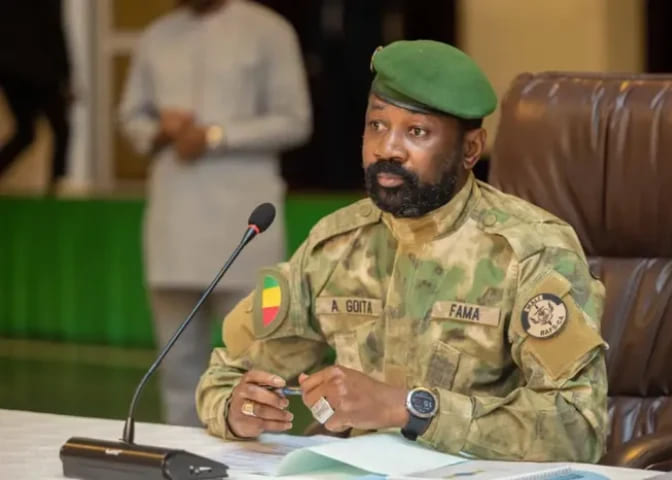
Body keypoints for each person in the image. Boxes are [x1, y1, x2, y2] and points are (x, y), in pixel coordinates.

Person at [196, 40, 608, 461]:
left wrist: (410, 410)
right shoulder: (335, 245)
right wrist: (237, 410)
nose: (387, 149)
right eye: (377, 125)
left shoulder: (530, 250)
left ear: (470, 150)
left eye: (416, 132)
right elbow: (226, 375)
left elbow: (578, 427)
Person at [118, 0, 311, 426]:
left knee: (255, 364)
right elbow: (132, 118)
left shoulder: (269, 29)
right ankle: (178, 454)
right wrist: (160, 130)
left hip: (244, 223)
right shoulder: (157, 36)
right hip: (174, 221)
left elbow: (295, 120)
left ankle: (249, 455)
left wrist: (216, 136)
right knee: (177, 369)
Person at [0, 1, 71, 186]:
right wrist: (66, 78)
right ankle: (59, 183)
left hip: (12, 72)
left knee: (26, 133)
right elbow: (56, 34)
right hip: (40, 73)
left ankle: (58, 182)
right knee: (61, 129)